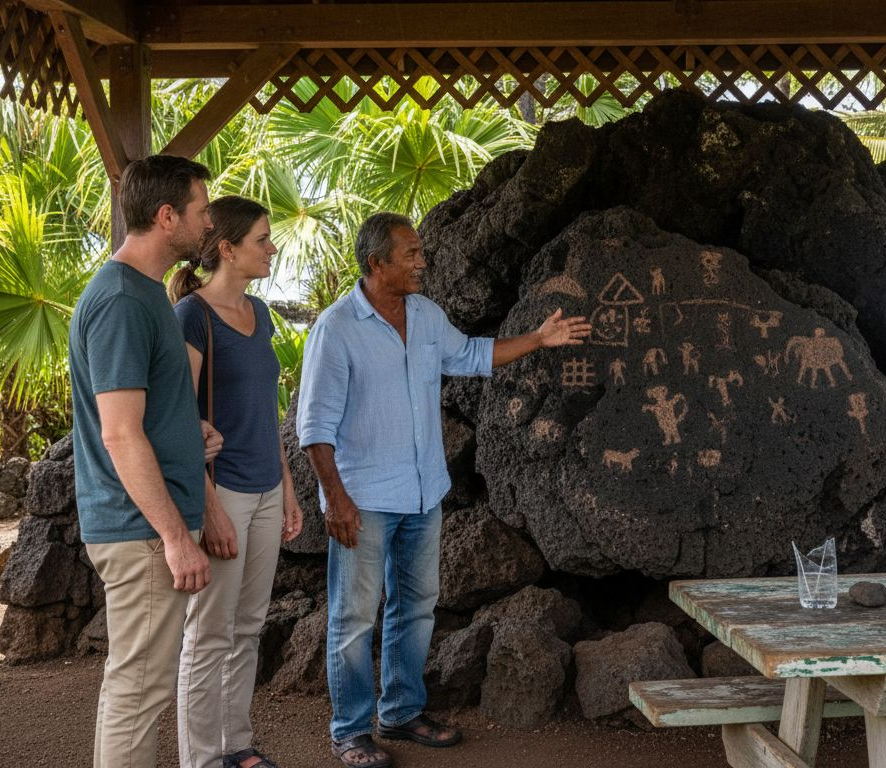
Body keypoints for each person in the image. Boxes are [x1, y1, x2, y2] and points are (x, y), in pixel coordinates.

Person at [297, 213, 590, 768]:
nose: (422, 261)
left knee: (417, 607)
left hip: (423, 493)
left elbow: (474, 356)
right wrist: (335, 499)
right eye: (410, 253)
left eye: (421, 251)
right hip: (364, 501)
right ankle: (351, 732)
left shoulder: (427, 316)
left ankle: (402, 712)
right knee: (354, 617)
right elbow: (315, 429)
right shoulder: (336, 329)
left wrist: (540, 338)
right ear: (375, 262)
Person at [68, 154, 219, 768]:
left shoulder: (144, 292)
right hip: (142, 532)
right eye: (202, 210)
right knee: (139, 691)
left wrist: (189, 432)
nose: (209, 223)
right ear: (166, 217)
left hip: (145, 526)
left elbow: (143, 416)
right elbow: (121, 435)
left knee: (140, 686)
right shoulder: (125, 300)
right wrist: (176, 538)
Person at [168, 196, 305, 768]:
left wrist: (289, 488)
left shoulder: (263, 314)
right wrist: (210, 508)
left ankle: (236, 745)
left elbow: (264, 409)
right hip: (220, 491)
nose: (271, 248)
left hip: (267, 487)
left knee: (247, 628)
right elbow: (180, 418)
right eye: (261, 240)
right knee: (208, 634)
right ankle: (201, 759)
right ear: (227, 249)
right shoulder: (192, 316)